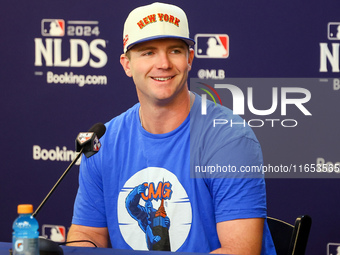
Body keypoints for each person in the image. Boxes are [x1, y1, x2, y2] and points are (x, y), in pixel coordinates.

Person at [67, 2, 276, 254]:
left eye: (175, 51)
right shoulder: (104, 142)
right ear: (126, 64)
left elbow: (239, 250)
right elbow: (87, 234)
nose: (163, 63)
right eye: (148, 52)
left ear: (189, 58)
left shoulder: (229, 138)